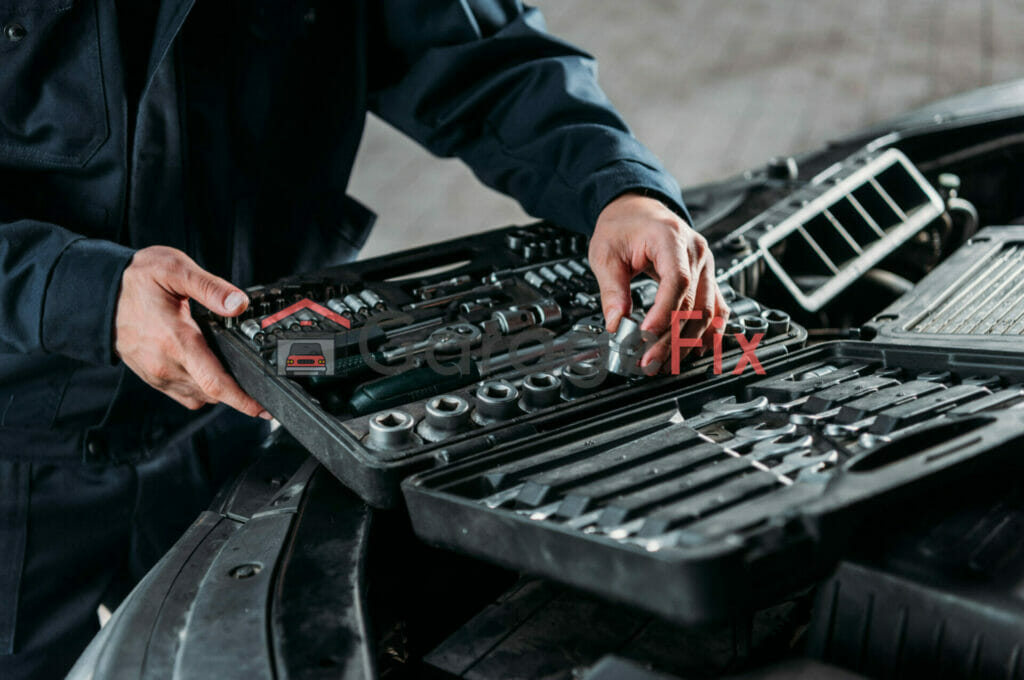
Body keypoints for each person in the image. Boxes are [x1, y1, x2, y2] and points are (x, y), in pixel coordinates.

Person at [0, 1, 727, 676]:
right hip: (21, 440)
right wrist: (81, 293)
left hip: (244, 408)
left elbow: (484, 56)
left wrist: (621, 186)